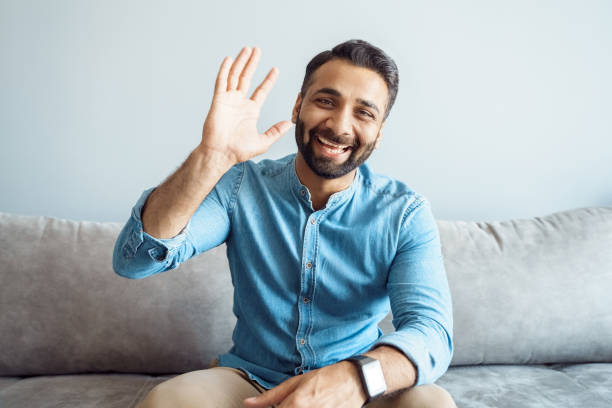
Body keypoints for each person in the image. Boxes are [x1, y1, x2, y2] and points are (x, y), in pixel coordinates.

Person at [113, 39, 456, 408]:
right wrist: (210, 157)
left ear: (379, 131)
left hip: (355, 389)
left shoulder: (405, 214)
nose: (340, 125)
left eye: (364, 113)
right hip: (251, 381)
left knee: (431, 403)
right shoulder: (240, 186)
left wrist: (355, 378)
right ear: (298, 106)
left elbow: (431, 333)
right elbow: (135, 261)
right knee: (167, 402)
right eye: (326, 101)